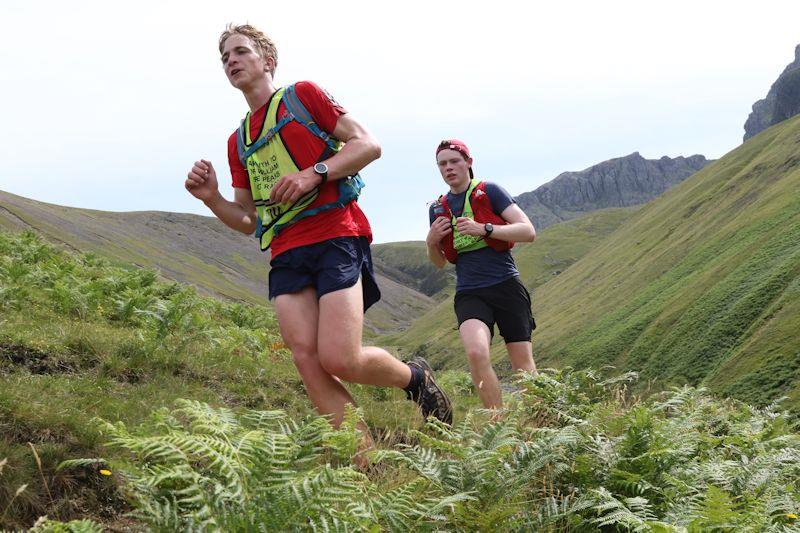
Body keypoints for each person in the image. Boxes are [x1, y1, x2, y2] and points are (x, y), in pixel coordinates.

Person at [184, 24, 452, 436]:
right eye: (224, 58)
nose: (231, 61)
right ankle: (365, 465)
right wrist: (212, 199)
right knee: (306, 358)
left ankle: (415, 379)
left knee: (340, 358)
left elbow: (367, 144)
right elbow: (248, 220)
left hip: (336, 234)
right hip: (286, 251)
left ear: (267, 61)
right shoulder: (237, 141)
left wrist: (314, 174)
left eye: (240, 52)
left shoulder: (302, 96)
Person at [426, 139, 537, 409]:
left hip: (506, 285)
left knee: (522, 365)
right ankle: (495, 427)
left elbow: (528, 231)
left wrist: (485, 229)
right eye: (443, 164)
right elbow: (439, 263)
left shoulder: (491, 192)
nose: (449, 168)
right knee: (476, 352)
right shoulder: (437, 208)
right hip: (470, 291)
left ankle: (541, 422)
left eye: (454, 161)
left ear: (468, 163)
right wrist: (430, 242)